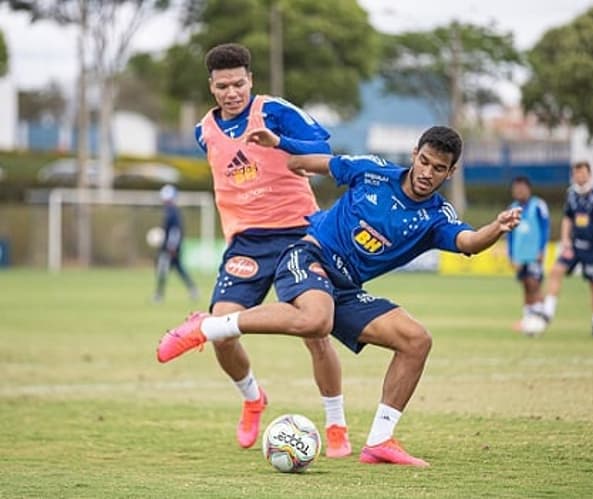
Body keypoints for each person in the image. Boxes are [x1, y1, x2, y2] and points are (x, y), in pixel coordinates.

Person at [157, 126, 522, 466]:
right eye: (424, 161)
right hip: (308, 256)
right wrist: (282, 146)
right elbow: (311, 164)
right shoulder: (372, 171)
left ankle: (379, 441)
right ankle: (208, 327)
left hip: (346, 289)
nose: (427, 172)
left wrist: (495, 228)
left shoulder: (436, 216)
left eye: (438, 168)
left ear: (451, 172)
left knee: (416, 340)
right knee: (317, 321)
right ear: (414, 154)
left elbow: (469, 243)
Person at [186, 43, 351, 457]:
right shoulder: (202, 131)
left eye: (238, 83)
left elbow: (322, 152)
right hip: (246, 244)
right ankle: (253, 397)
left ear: (251, 81)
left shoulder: (273, 110)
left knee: (316, 331)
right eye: (223, 86)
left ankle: (336, 425)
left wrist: (279, 141)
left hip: (299, 235)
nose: (231, 92)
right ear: (212, 87)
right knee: (222, 331)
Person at [543, 161, 593, 337]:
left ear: (589, 174)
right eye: (576, 173)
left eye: (583, 173)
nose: (580, 177)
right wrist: (566, 239)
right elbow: (568, 218)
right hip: (575, 246)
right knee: (556, 270)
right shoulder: (571, 194)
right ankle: (548, 312)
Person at [506, 176, 550, 331]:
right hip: (519, 255)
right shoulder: (512, 208)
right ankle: (527, 318)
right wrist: (511, 255)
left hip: (533, 254)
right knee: (525, 285)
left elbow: (545, 228)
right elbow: (509, 234)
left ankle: (541, 317)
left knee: (534, 283)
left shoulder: (538, 205)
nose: (519, 191)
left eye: (521, 188)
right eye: (516, 189)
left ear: (528, 189)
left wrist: (541, 250)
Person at [153, 184, 199, 303]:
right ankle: (193, 289)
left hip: (170, 248)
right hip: (171, 247)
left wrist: (171, 246)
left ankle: (159, 295)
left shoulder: (172, 212)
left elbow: (175, 230)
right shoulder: (170, 211)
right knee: (177, 269)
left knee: (163, 269)